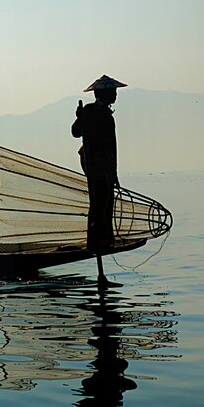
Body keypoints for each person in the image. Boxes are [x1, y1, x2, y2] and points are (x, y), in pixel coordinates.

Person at [71, 75, 127, 287]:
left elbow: (77, 133)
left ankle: (100, 244)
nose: (115, 95)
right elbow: (78, 133)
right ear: (102, 94)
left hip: (98, 166)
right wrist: (79, 117)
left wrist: (80, 117)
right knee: (100, 207)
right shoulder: (97, 113)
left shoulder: (94, 112)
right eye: (112, 92)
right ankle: (99, 245)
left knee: (100, 206)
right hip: (98, 167)